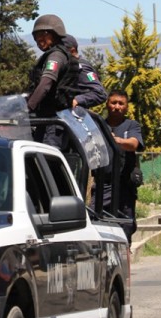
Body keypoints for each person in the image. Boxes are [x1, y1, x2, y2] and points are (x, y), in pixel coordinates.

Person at [27, 14, 79, 147]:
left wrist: (27, 108)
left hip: (52, 123)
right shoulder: (56, 54)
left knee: (47, 162)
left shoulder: (56, 56)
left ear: (52, 34)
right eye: (35, 37)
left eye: (40, 36)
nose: (38, 41)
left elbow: (46, 83)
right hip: (49, 120)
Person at [100, 90, 144, 243]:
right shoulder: (99, 126)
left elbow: (133, 144)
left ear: (126, 107)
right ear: (107, 104)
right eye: (113, 103)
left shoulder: (132, 125)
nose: (117, 107)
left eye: (121, 103)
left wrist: (116, 140)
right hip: (102, 187)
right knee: (98, 224)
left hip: (125, 187)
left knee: (125, 228)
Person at [61, 35, 108, 109]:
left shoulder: (82, 68)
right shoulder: (66, 66)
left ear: (72, 51)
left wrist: (77, 100)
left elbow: (100, 93)